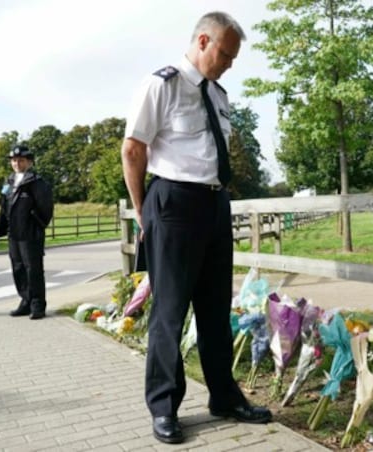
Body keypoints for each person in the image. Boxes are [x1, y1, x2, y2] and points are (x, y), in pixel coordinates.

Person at [121, 11, 271, 445]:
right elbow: (133, 150)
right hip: (174, 204)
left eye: (233, 57)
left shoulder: (219, 95)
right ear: (203, 41)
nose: (229, 63)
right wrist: (143, 212)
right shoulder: (161, 84)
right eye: (225, 53)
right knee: (169, 312)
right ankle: (164, 407)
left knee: (214, 311)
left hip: (213, 204)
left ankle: (223, 396)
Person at [0, 145, 54, 320]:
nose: (16, 163)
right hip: (14, 232)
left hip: (30, 233)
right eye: (14, 160)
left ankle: (37, 304)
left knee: (33, 269)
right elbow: (4, 205)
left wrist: (37, 226)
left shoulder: (37, 182)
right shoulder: (10, 182)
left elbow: (46, 208)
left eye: (20, 160)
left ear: (29, 162)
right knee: (18, 267)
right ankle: (25, 301)